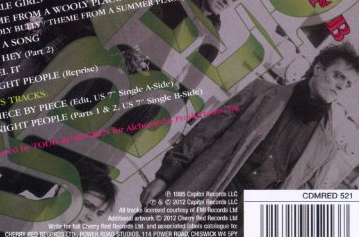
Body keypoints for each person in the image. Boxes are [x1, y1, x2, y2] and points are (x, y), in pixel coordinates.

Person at [142, 42, 359, 202]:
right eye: (338, 76)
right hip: (203, 188)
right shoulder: (260, 92)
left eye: (348, 84)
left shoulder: (327, 147)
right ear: (319, 69)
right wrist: (165, 176)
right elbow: (205, 133)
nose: (341, 86)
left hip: (242, 227)